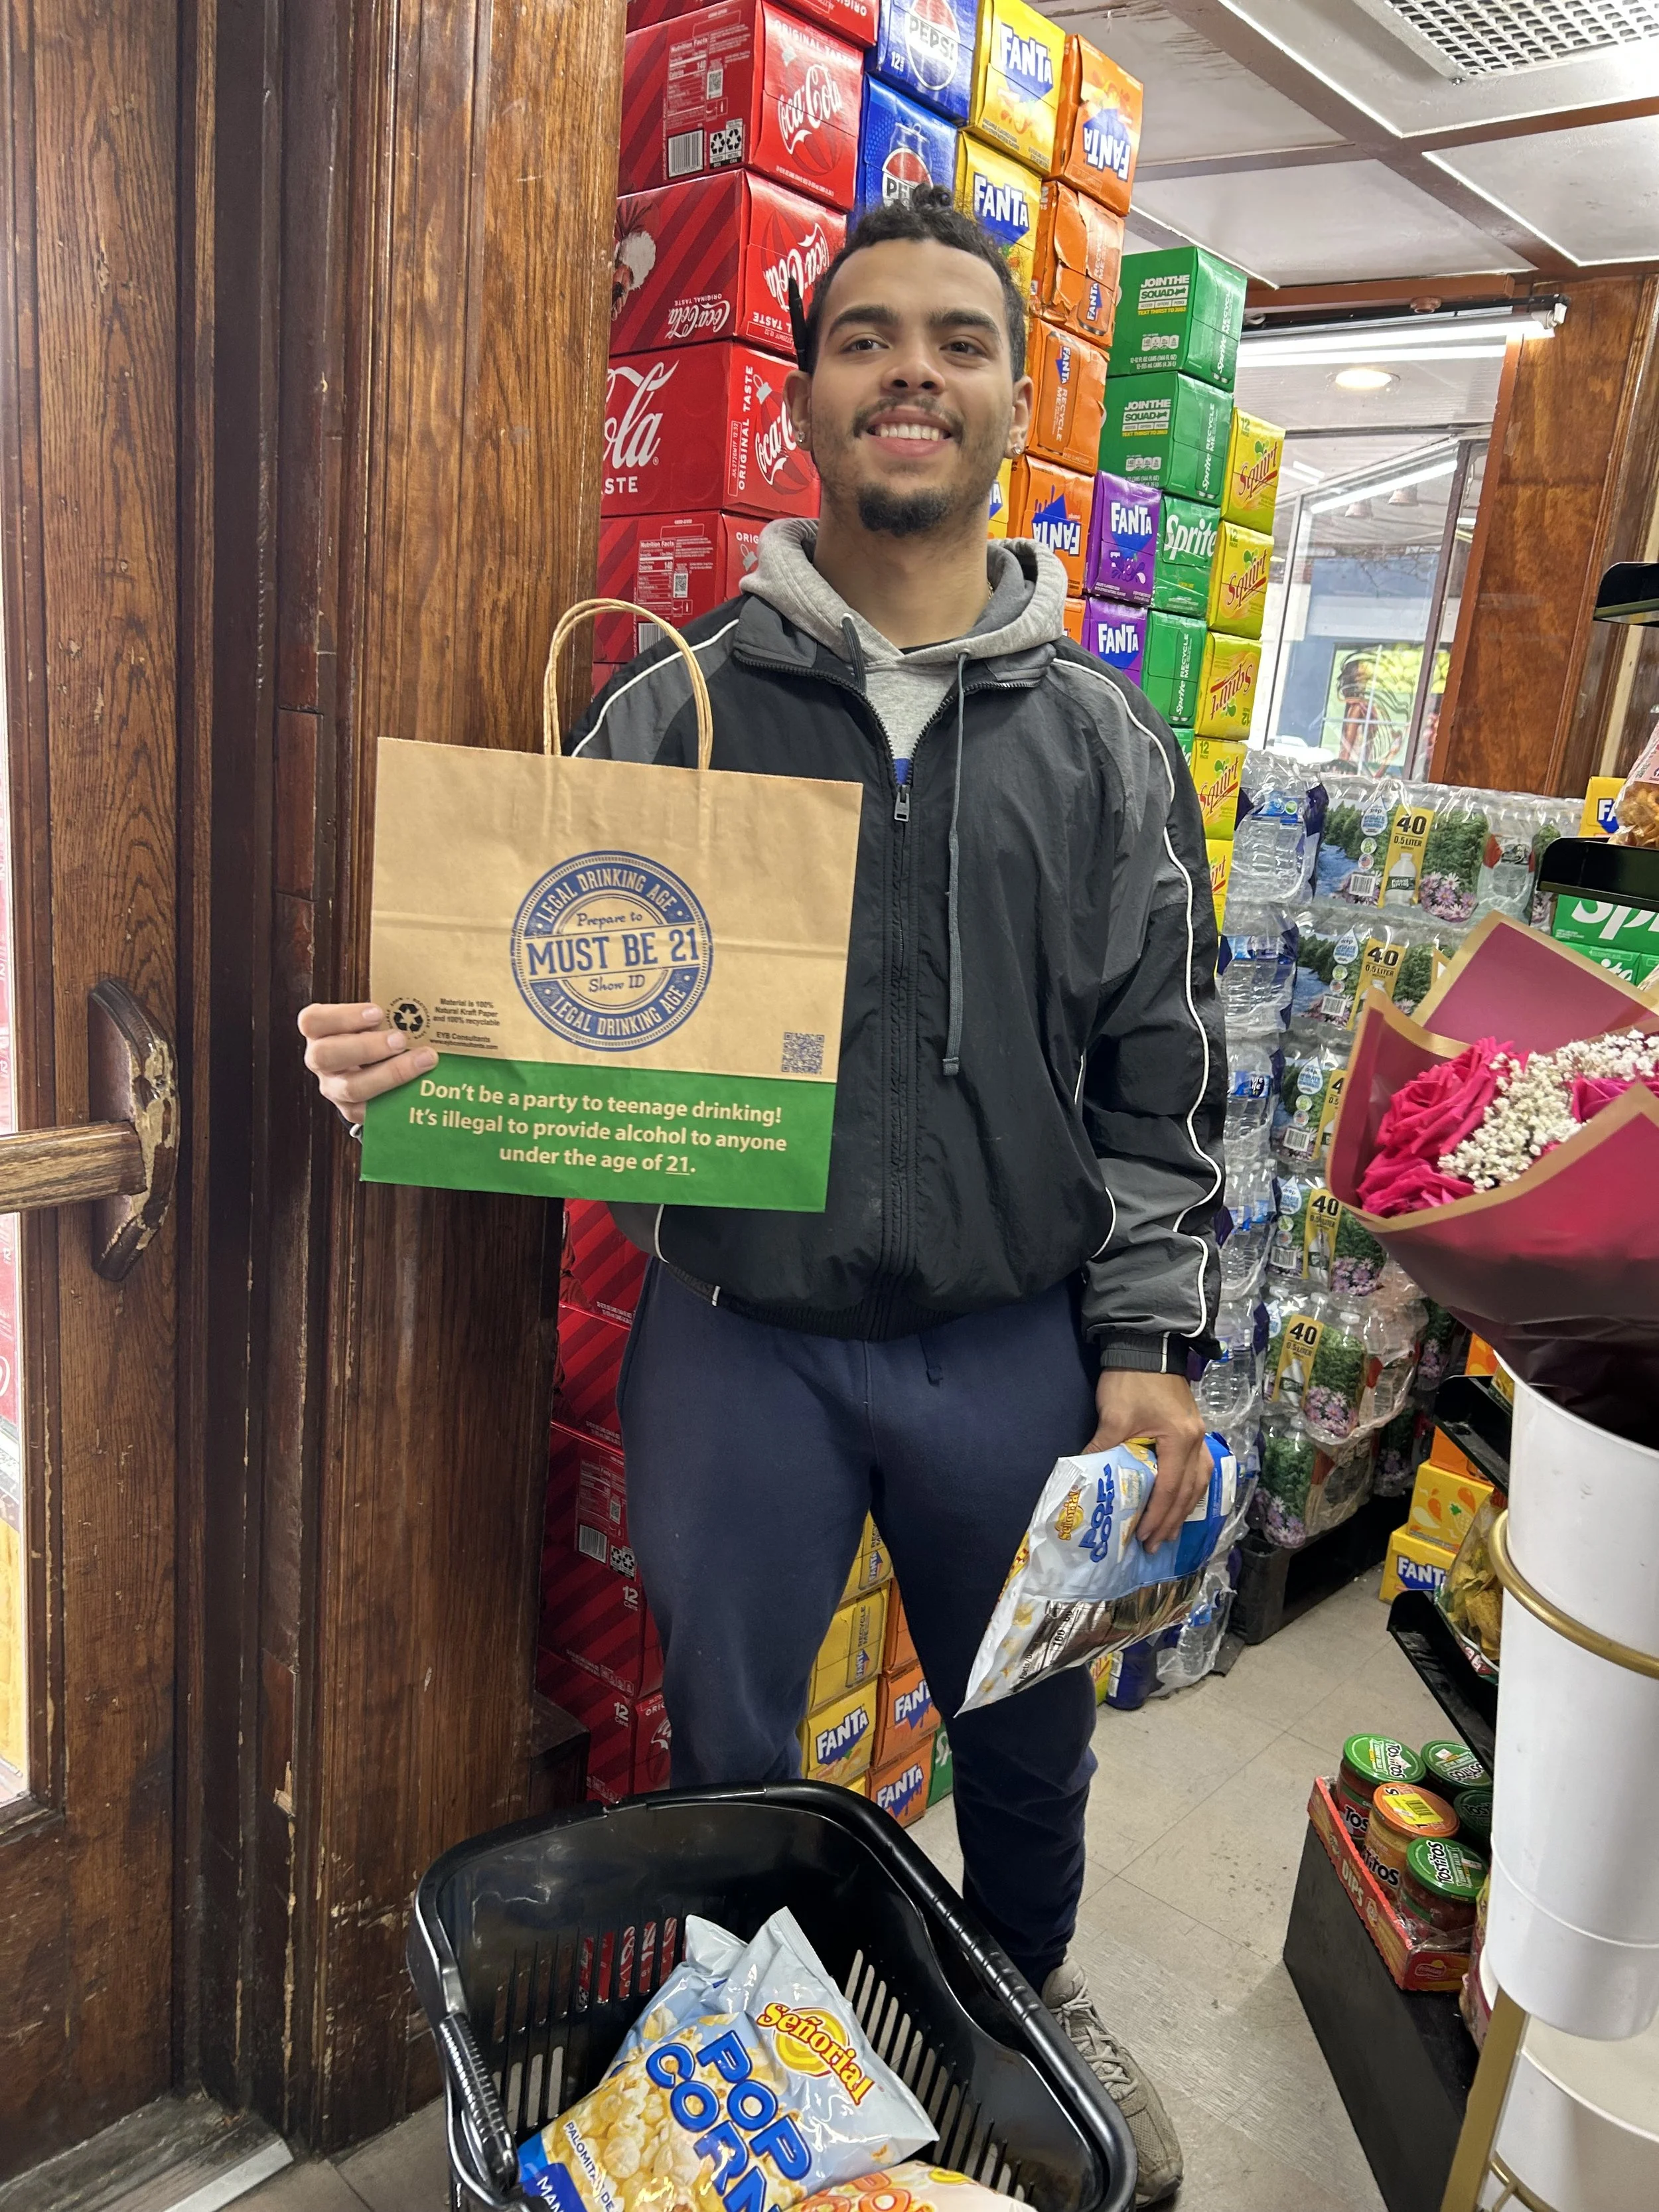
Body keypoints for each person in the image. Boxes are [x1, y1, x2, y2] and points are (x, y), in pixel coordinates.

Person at [299, 188, 1224, 2207]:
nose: (912, 368)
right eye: (867, 334)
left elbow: (1164, 1069)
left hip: (1011, 1347)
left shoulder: (1102, 748)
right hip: (735, 1354)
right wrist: (417, 1049)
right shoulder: (673, 705)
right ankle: (763, 2074)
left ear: (1013, 398)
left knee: (1029, 1740)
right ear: (806, 393)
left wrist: (1147, 1346)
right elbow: (562, 977)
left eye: (957, 340)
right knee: (727, 1751)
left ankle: (1025, 2013)